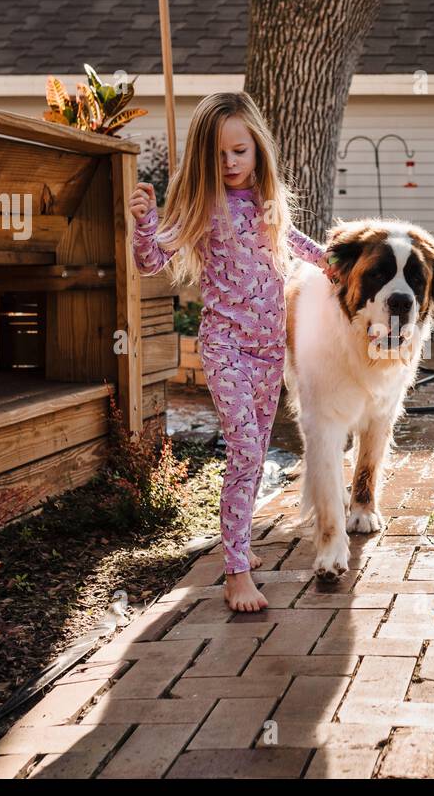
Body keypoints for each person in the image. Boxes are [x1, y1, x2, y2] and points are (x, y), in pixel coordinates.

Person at [127, 92, 337, 612]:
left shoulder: (267, 203)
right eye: (219, 155)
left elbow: (300, 245)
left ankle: (237, 539)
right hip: (225, 348)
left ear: (257, 149)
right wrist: (144, 222)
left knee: (255, 454)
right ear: (204, 158)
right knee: (245, 451)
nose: (230, 163)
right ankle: (236, 571)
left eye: (240, 152)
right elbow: (150, 262)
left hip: (269, 352)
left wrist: (341, 264)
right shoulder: (202, 207)